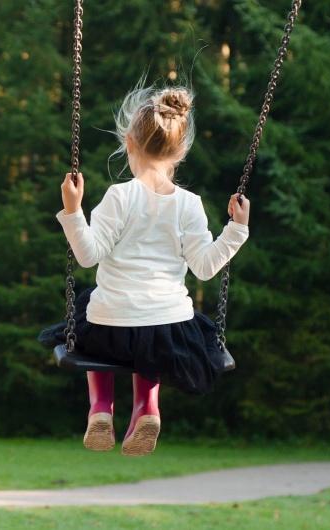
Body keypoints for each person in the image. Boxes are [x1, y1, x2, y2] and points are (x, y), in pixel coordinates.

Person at [39, 83, 250, 456]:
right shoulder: (189, 204)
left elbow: (87, 255)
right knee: (152, 336)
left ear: (128, 143)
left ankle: (101, 407)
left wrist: (73, 211)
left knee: (90, 311)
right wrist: (236, 230)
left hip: (110, 328)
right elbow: (204, 268)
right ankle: (147, 408)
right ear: (181, 151)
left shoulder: (119, 196)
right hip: (168, 330)